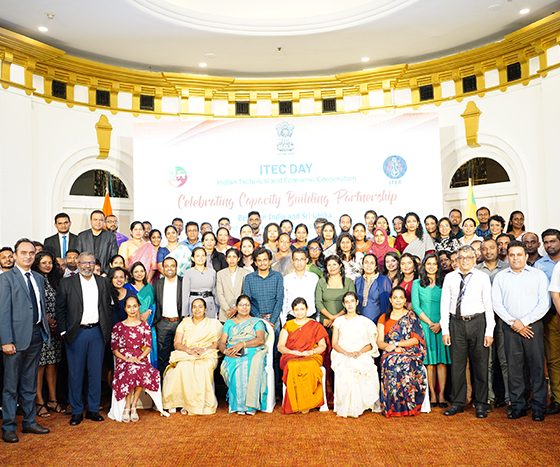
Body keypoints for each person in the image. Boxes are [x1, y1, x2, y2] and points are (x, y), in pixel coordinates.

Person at [492, 241, 550, 421]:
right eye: (512, 255)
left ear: (526, 256)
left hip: (533, 326)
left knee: (537, 367)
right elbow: (497, 304)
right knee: (514, 368)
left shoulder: (538, 275)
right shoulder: (501, 277)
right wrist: (514, 323)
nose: (515, 258)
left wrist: (523, 322)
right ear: (507, 257)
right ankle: (518, 405)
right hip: (510, 328)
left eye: (519, 254)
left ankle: (539, 406)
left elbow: (544, 303)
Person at [0, 239, 51, 443]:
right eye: (23, 253)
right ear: (15, 255)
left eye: (31, 253)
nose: (28, 256)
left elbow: (39, 306)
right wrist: (6, 340)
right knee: (11, 386)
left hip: (36, 335)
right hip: (14, 339)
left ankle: (29, 422)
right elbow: (3, 312)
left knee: (30, 383)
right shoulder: (6, 278)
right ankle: (8, 427)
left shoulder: (38, 277)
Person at [55, 251, 112, 426]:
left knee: (95, 373)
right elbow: (60, 309)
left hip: (97, 333)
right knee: (75, 374)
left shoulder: (103, 282)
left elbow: (107, 307)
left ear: (95, 264)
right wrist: (63, 332)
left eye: (91, 262)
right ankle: (77, 411)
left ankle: (93, 409)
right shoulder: (66, 283)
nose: (88, 266)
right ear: (78, 264)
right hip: (76, 334)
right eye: (84, 262)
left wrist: (106, 330)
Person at [440, 245, 494, 418]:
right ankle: (458, 402)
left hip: (478, 322)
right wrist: (445, 330)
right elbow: (444, 304)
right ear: (456, 259)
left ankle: (481, 403)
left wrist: (489, 331)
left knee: (480, 365)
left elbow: (489, 304)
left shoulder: (482, 277)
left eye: (468, 257)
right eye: (461, 257)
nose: (464, 261)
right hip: (456, 324)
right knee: (457, 365)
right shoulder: (450, 277)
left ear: (474, 258)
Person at [162, 299, 223, 415]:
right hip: (187, 352)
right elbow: (177, 343)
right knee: (182, 367)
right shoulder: (184, 323)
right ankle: (182, 403)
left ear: (205, 309)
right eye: (194, 307)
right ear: (191, 309)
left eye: (200, 307)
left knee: (201, 368)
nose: (197, 309)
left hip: (207, 353)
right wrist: (189, 350)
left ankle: (195, 405)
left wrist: (204, 349)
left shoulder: (214, 324)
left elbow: (218, 343)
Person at [110, 296, 162, 422]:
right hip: (123, 359)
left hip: (140, 358)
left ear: (138, 307)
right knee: (130, 370)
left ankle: (133, 406)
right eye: (129, 307)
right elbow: (114, 350)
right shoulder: (118, 327)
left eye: (134, 306)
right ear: (125, 309)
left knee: (141, 370)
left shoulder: (144, 326)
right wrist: (127, 359)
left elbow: (148, 347)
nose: (132, 309)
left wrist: (139, 358)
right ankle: (127, 406)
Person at [377, 287, 427, 417]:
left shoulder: (411, 317)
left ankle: (408, 405)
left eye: (401, 298)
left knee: (405, 362)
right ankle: (393, 406)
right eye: (395, 298)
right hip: (390, 351)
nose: (398, 300)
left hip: (409, 351)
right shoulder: (383, 317)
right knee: (390, 361)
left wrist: (397, 344)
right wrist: (391, 348)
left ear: (405, 300)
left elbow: (416, 340)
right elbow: (379, 342)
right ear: (390, 300)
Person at [331, 292, 380, 418]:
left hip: (361, 353)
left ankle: (363, 405)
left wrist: (359, 352)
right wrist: (346, 353)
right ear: (343, 304)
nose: (350, 304)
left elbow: (371, 344)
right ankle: (347, 407)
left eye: (352, 301)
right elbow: (334, 343)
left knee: (366, 366)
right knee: (346, 368)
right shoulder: (338, 321)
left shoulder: (366, 322)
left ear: (357, 302)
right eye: (347, 302)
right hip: (341, 353)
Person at [219, 295, 268, 415]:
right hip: (232, 352)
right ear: (236, 307)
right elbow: (222, 342)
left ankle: (251, 406)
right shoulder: (229, 323)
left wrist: (243, 344)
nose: (244, 307)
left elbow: (260, 340)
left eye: (247, 305)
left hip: (252, 350)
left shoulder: (257, 322)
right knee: (235, 364)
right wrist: (225, 351)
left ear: (251, 307)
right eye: (241, 305)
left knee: (249, 364)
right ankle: (238, 405)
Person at [411, 254, 450, 407]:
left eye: (434, 264)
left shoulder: (444, 282)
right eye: (428, 264)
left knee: (441, 362)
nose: (431, 266)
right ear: (424, 266)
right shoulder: (417, 283)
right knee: (430, 363)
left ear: (438, 266)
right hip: (425, 326)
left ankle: (442, 395)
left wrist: (440, 323)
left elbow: (449, 303)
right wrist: (430, 323)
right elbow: (416, 306)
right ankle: (432, 395)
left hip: (442, 325)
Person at [278, 298, 328, 414]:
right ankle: (299, 403)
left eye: (302, 309)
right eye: (296, 310)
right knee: (293, 366)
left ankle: (306, 403)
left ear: (307, 309)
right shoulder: (288, 325)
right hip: (291, 355)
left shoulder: (315, 325)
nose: (299, 312)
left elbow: (322, 346)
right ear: (292, 311)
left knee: (309, 365)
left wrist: (311, 352)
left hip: (311, 355)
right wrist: (293, 352)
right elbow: (280, 346)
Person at [476, 238, 509, 408]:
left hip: (504, 319)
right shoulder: (476, 270)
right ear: (480, 251)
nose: (488, 251)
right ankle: (488, 397)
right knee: (486, 361)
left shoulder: (507, 268)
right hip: (483, 320)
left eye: (491, 248)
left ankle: (510, 397)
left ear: (498, 249)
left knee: (504, 359)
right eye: (484, 249)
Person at [31, 251, 64, 417]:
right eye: (44, 262)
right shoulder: (34, 279)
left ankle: (53, 399)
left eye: (50, 262)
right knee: (40, 366)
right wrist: (46, 318)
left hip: (55, 328)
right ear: (37, 263)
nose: (47, 265)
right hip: (41, 327)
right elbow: (32, 303)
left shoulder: (55, 280)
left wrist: (57, 321)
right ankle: (39, 401)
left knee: (53, 364)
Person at [535, 228, 560, 415]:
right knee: (553, 359)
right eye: (546, 242)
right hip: (550, 316)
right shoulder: (539, 265)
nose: (549, 245)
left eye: (553, 241)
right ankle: (558, 399)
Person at [124, 262, 157, 368]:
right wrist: (138, 317)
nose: (139, 274)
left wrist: (148, 312)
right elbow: (124, 305)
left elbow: (154, 304)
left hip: (148, 324)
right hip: (132, 326)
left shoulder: (149, 287)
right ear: (132, 274)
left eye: (142, 271)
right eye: (136, 271)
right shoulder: (127, 287)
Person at [154, 257, 183, 374]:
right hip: (163, 323)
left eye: (172, 265)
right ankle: (163, 381)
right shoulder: (158, 284)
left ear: (176, 267)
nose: (169, 268)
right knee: (163, 356)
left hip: (180, 323)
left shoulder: (183, 282)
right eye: (166, 266)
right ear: (163, 268)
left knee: (180, 355)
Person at [315, 255, 356, 329]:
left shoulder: (348, 282)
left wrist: (336, 318)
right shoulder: (322, 281)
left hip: (344, 320)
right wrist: (330, 317)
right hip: (326, 321)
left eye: (334, 264)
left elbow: (352, 302)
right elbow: (318, 302)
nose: (332, 267)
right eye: (329, 265)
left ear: (340, 265)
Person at [281, 249, 319, 325]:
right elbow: (284, 301)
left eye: (302, 259)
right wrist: (284, 321)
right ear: (292, 261)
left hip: (311, 317)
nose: (299, 263)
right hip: (292, 318)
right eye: (296, 260)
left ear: (306, 260)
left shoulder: (314, 278)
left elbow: (317, 299)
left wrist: (317, 319)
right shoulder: (286, 279)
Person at [182, 247, 218, 319]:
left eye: (203, 255)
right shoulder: (188, 273)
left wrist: (218, 309)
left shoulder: (212, 272)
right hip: (194, 305)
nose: (200, 258)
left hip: (210, 304)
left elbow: (215, 292)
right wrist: (185, 313)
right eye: (197, 256)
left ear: (206, 257)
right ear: (192, 258)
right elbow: (185, 294)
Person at [355, 254, 391, 324]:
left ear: (375, 266)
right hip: (360, 322)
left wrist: (382, 322)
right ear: (362, 265)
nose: (368, 265)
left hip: (378, 321)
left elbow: (387, 304)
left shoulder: (383, 280)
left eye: (372, 263)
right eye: (366, 262)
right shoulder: (358, 281)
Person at [216, 248, 249, 323]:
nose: (231, 259)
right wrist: (227, 309)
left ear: (238, 259)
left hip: (242, 311)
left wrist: (236, 309)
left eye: (234, 257)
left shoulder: (246, 273)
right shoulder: (220, 274)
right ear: (226, 259)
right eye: (229, 257)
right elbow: (220, 294)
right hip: (225, 313)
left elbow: (245, 292)